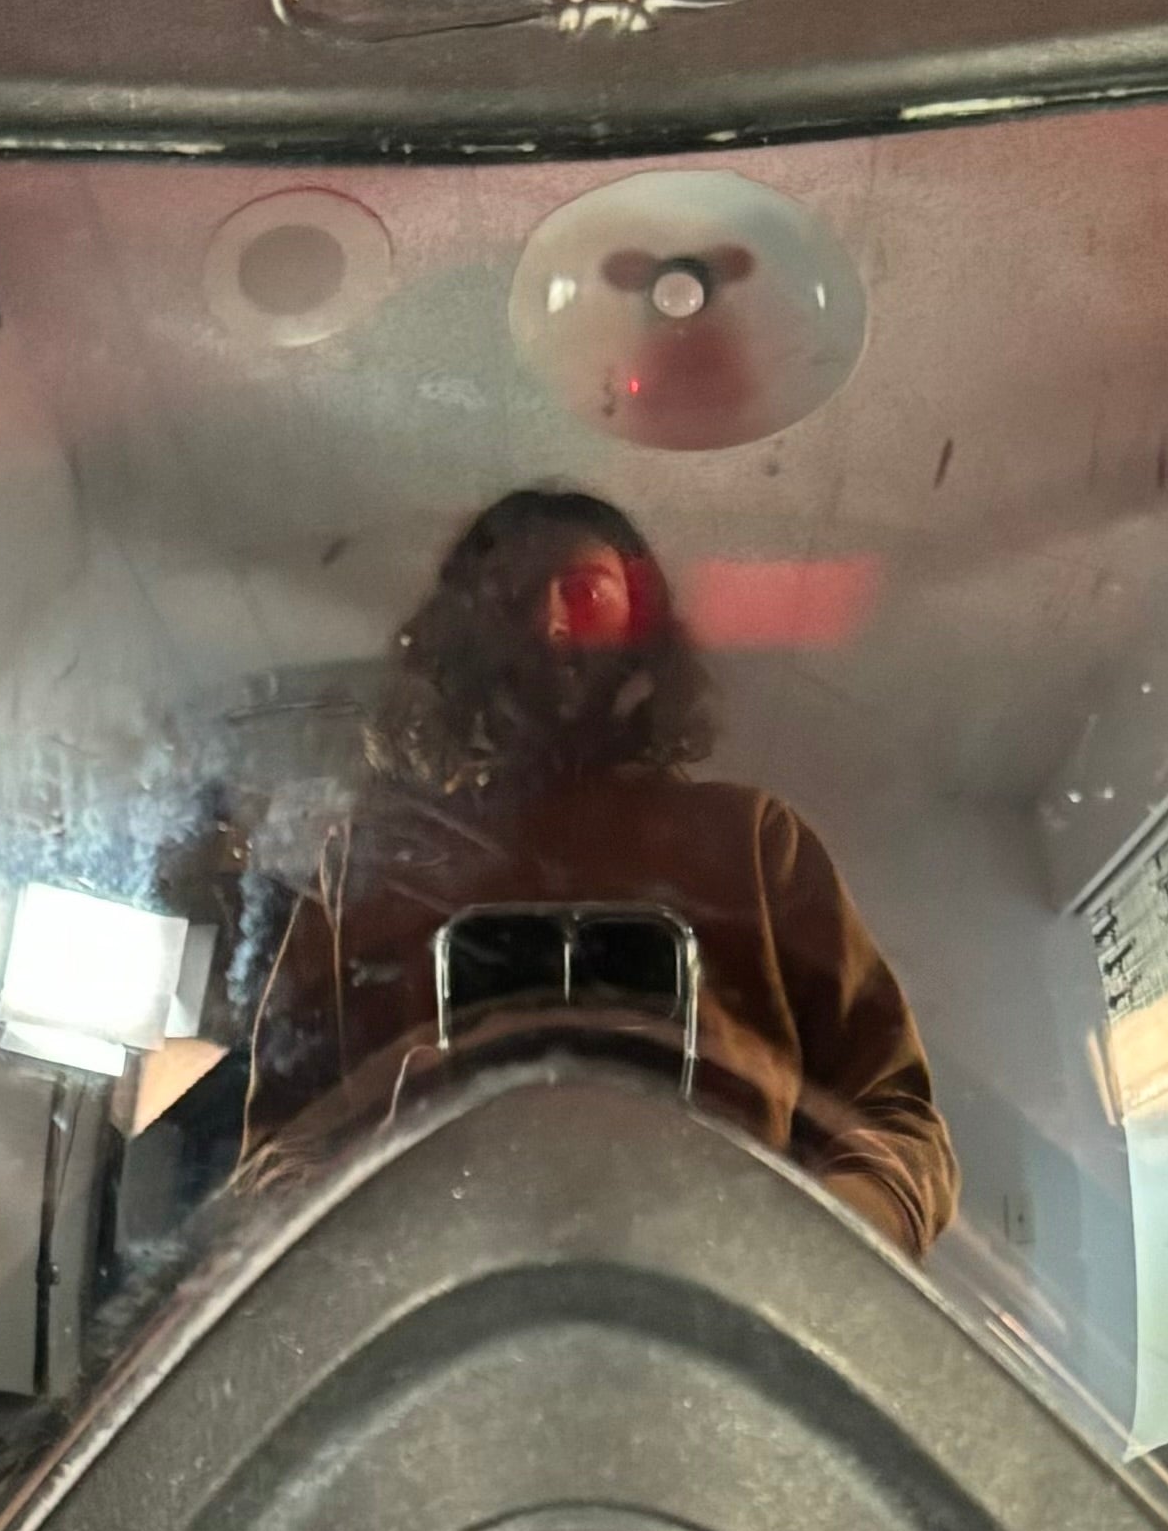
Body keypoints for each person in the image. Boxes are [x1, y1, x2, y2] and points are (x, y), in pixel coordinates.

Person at [238, 489, 957, 1256]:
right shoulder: (371, 861)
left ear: (642, 629)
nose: (549, 625)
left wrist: (789, 1256)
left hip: (714, 1304)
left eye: (583, 594)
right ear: (461, 630)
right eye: (509, 595)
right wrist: (376, 1213)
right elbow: (276, 1150)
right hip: (437, 1300)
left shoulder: (754, 843)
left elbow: (897, 1125)